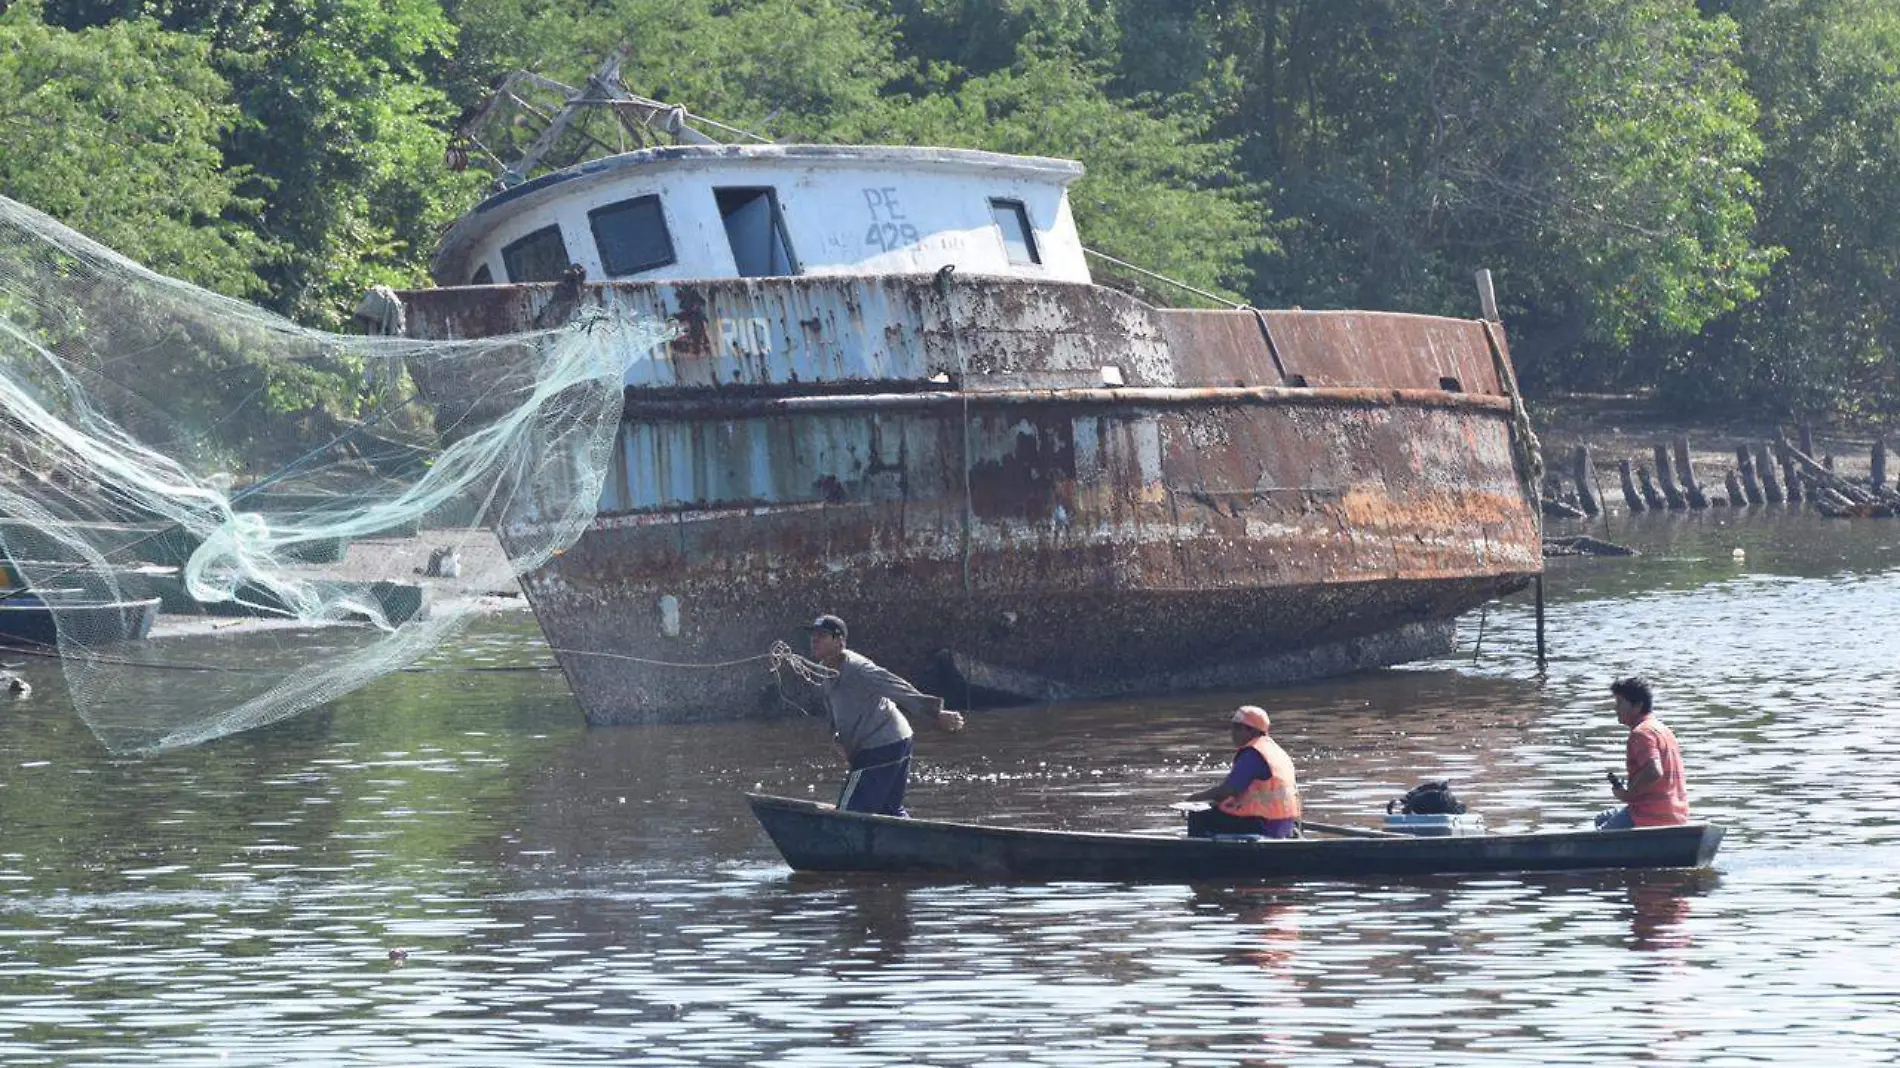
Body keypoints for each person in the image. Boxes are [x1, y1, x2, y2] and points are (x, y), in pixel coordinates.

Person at [803, 614, 964, 816]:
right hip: (891, 742)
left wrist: (935, 713)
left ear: (840, 641)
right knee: (889, 810)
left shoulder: (858, 668)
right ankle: (918, 845)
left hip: (882, 745)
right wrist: (837, 739)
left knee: (849, 812)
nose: (814, 640)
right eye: (813, 635)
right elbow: (836, 710)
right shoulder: (824, 672)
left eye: (822, 635)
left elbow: (895, 686)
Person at [1183, 705, 1301, 839]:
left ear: (1252, 731)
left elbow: (1229, 790)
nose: (1232, 732)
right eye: (1233, 727)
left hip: (1261, 826)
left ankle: (1198, 855)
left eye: (1238, 727)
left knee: (1198, 813)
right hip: (1285, 824)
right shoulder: (1276, 751)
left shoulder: (1253, 753)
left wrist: (1193, 799)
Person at [1596, 676, 1689, 830]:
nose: (1616, 708)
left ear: (1637, 706)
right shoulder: (1663, 729)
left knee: (1600, 838)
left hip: (1650, 815)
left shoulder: (1641, 733)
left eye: (1620, 703)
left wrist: (1628, 794)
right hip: (1676, 813)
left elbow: (1654, 771)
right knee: (1601, 819)